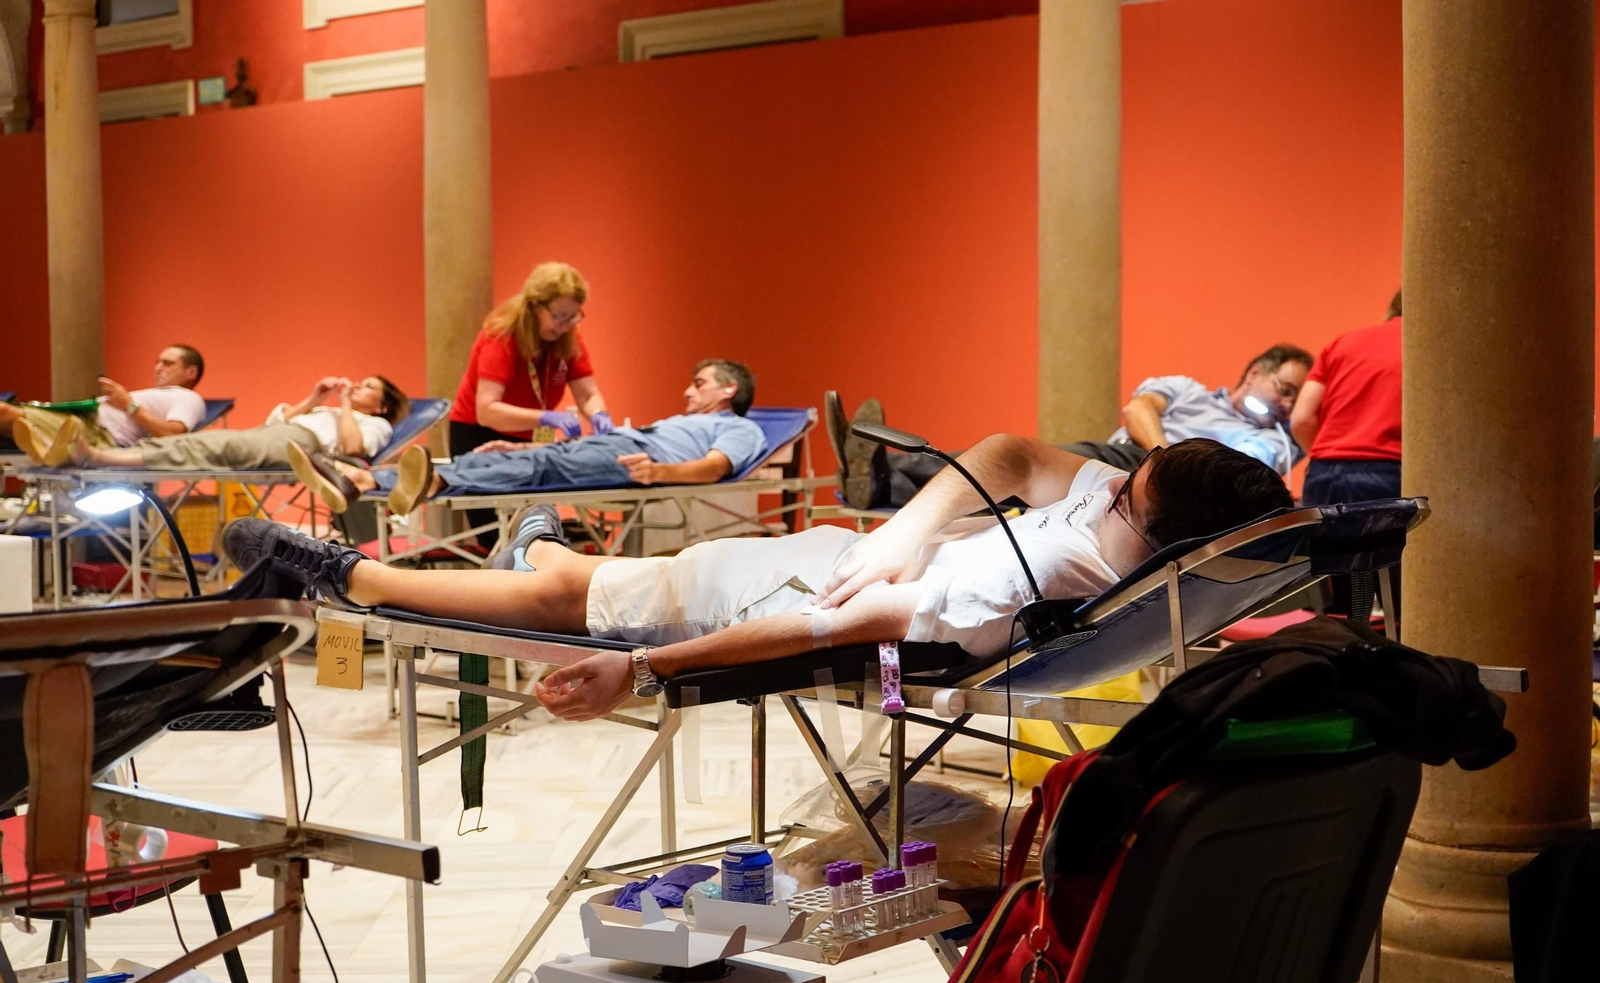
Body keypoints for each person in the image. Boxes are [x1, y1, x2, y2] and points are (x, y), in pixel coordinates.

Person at [223, 435, 1294, 722]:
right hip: (827, 554)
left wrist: (644, 671)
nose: (1105, 483)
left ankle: (354, 576)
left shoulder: (1051, 570)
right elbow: (1012, 453)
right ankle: (538, 541)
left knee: (575, 604)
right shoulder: (1125, 515)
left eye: (1124, 492)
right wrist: (908, 528)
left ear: (1157, 528)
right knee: (606, 574)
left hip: (788, 596)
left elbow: (836, 633)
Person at [835, 345, 1314, 509]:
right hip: (1135, 455)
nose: (1288, 403)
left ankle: (880, 478)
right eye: (1285, 389)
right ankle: (882, 480)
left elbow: (1247, 470)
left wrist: (1170, 464)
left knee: (1018, 471)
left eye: (1297, 398)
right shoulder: (1187, 389)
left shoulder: (1275, 441)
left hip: (1168, 484)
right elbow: (1138, 411)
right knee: (1013, 466)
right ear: (1255, 373)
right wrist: (1165, 452)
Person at [292, 360, 764, 517]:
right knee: (509, 457)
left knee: (543, 469)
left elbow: (715, 468)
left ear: (729, 390)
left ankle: (418, 481)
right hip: (616, 447)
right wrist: (526, 444)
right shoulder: (683, 420)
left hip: (636, 458)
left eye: (699, 384)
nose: (688, 391)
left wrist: (660, 472)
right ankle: (363, 479)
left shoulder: (742, 428)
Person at [1291, 290, 1403, 616]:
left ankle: (1347, 640)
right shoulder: (1430, 344)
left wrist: (1329, 456)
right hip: (1390, 473)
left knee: (1345, 599)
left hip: (1325, 474)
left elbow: (1301, 419)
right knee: (1401, 599)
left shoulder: (1343, 342)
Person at [51, 374, 408, 470]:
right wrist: (316, 399)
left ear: (381, 407)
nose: (358, 386)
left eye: (369, 387)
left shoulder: (376, 425)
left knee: (211, 445)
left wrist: (344, 402)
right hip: (276, 433)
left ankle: (100, 457)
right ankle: (98, 454)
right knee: (197, 444)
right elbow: (277, 419)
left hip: (302, 447)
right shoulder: (326, 412)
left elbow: (354, 448)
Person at [450, 261, 614, 451]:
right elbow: (487, 411)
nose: (566, 326)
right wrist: (545, 417)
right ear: (535, 305)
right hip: (478, 433)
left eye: (572, 317)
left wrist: (598, 414)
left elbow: (587, 394)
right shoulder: (502, 338)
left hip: (527, 433)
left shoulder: (569, 338)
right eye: (559, 316)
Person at [0, 345, 207, 465]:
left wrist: (129, 404)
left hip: (99, 433)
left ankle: (53, 445)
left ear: (191, 372)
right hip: (85, 419)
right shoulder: (158, 394)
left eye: (168, 363)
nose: (158, 368)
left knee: (3, 412)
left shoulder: (189, 398)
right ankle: (47, 446)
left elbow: (173, 435)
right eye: (158, 362)